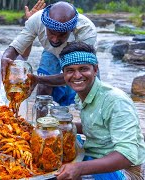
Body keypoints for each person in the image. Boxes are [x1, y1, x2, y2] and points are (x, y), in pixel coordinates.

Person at [30, 42, 145, 179]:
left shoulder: (115, 101)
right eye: (70, 70)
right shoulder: (84, 94)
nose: (77, 76)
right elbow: (95, 127)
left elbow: (128, 155)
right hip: (94, 153)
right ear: (64, 74)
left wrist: (79, 168)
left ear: (95, 70)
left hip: (123, 171)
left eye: (83, 69)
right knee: (52, 142)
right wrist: (57, 126)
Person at [1, 1, 97, 106]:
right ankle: (40, 115)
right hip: (51, 52)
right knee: (43, 87)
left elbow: (74, 73)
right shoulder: (36, 20)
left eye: (61, 35)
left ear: (71, 30)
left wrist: (37, 79)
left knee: (82, 88)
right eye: (51, 33)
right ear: (45, 26)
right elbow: (16, 47)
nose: (55, 40)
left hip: (79, 59)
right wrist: (5, 58)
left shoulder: (86, 31)